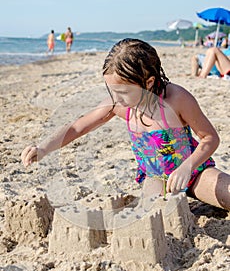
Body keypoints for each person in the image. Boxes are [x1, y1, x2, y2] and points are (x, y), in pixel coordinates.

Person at [21, 38, 230, 210]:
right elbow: (78, 127)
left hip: (195, 173)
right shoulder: (118, 104)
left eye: (123, 92)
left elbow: (210, 138)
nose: (116, 98)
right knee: (153, 213)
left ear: (147, 82)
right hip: (155, 177)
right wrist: (44, 148)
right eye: (111, 90)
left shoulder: (177, 99)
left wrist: (187, 167)